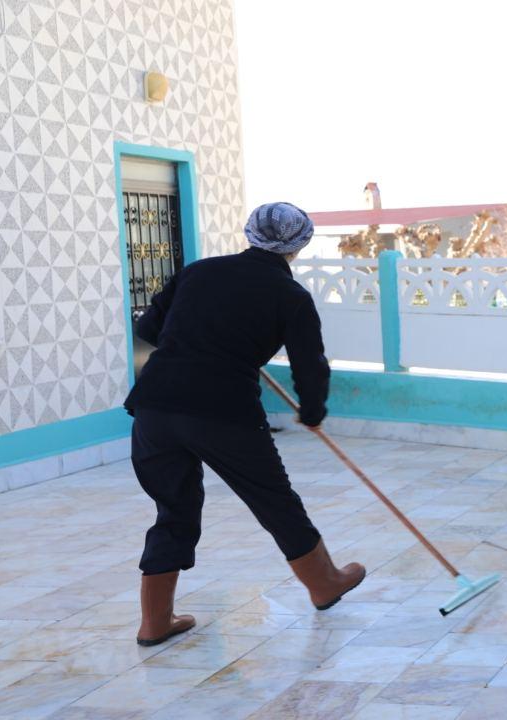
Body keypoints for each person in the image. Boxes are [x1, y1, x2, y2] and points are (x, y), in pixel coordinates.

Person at [125, 202, 365, 646]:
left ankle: (154, 621)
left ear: (250, 232)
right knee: (273, 500)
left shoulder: (198, 272)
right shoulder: (290, 296)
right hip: (222, 411)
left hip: (155, 406)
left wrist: (197, 341)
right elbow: (310, 364)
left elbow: (150, 328)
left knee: (173, 510)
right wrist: (311, 411)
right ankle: (324, 582)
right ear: (299, 244)